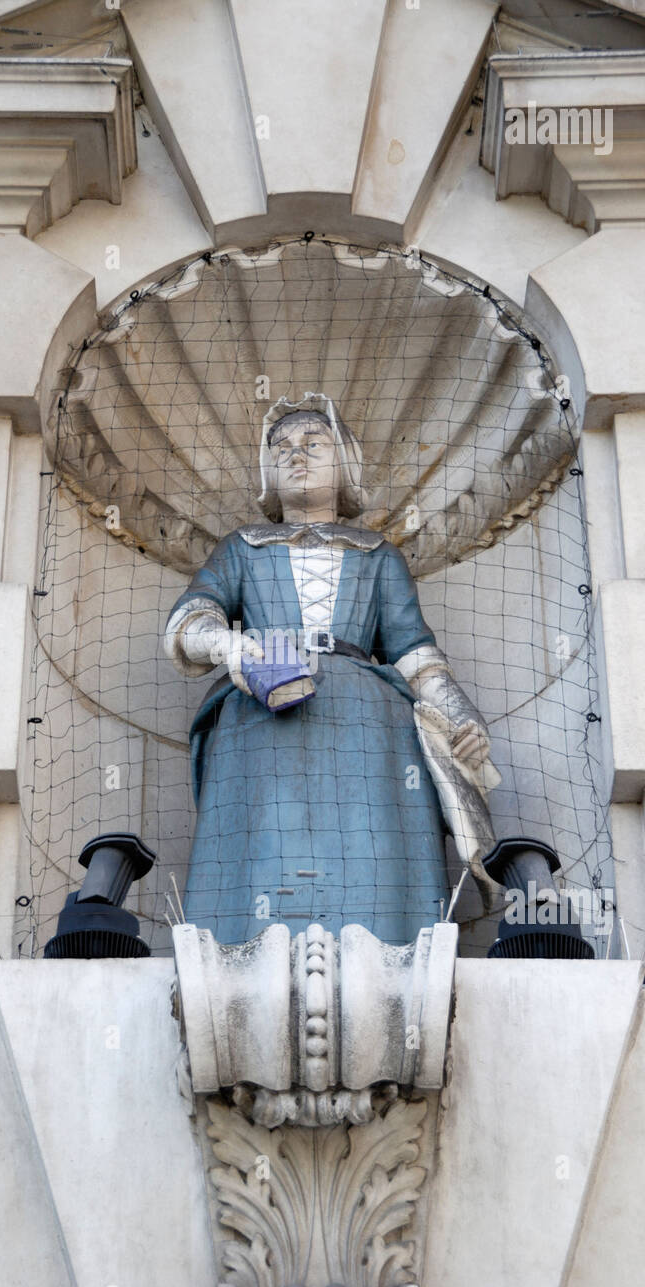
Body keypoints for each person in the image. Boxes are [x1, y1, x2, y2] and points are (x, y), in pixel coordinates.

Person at [164, 393, 499, 945]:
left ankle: (393, 939)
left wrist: (460, 717)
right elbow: (188, 621)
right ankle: (240, 943)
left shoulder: (378, 555)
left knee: (372, 835)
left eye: (314, 443)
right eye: (282, 447)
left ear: (344, 463)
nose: (297, 455)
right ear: (268, 471)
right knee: (269, 829)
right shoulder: (243, 548)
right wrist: (236, 650)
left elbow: (415, 654)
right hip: (260, 710)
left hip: (368, 719)